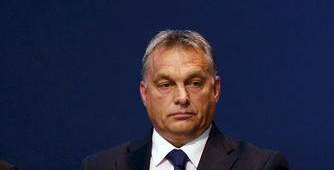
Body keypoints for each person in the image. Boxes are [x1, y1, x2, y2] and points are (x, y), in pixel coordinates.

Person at [83, 30, 288, 170]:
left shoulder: (260, 166)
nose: (182, 98)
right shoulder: (102, 165)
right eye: (166, 85)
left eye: (195, 83)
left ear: (216, 89)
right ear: (144, 94)